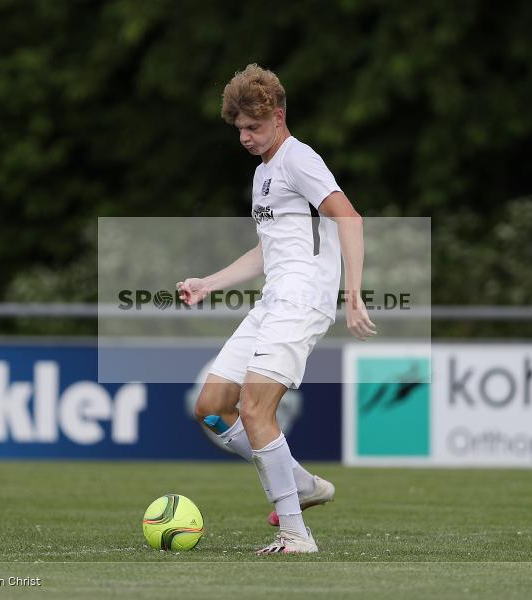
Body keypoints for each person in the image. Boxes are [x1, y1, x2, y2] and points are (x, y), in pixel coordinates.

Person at [176, 63, 376, 555]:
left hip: (302, 298)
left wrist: (353, 293)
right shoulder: (264, 172)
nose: (245, 137)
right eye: (239, 129)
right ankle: (300, 483)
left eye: (254, 127)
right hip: (273, 299)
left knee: (255, 408)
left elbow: (349, 218)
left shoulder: (297, 159)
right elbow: (271, 249)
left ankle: (295, 534)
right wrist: (210, 282)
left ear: (279, 116)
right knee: (211, 408)